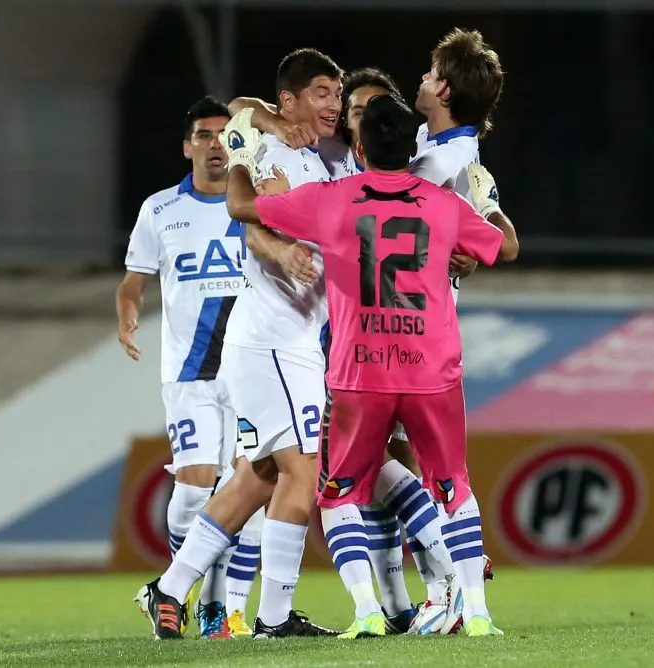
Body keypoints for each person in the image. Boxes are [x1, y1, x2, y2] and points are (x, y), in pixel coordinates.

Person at [233, 29, 507, 633]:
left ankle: (376, 609)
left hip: (360, 362)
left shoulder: (339, 193)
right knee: (446, 482)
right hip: (431, 355)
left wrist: (241, 156)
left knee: (344, 490)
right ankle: (465, 606)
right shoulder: (439, 178)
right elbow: (500, 246)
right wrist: (483, 216)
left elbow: (243, 209)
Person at [133, 49, 343, 640]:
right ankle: (275, 616)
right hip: (271, 341)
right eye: (323, 92)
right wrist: (279, 248)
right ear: (291, 101)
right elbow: (242, 141)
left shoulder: (325, 162)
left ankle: (168, 588)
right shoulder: (269, 149)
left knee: (259, 478)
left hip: (295, 339)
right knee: (303, 474)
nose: (332, 103)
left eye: (337, 93)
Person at [117, 97, 262, 639]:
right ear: (187, 146)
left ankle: (216, 610)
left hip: (251, 371)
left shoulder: (255, 201)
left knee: (251, 495)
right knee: (196, 490)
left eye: (226, 134)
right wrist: (128, 316)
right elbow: (134, 278)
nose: (217, 144)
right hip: (190, 373)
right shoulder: (159, 210)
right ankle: (182, 591)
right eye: (204, 135)